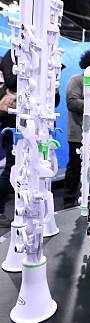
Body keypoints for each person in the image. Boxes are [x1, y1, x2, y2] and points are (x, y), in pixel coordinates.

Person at [63, 48, 90, 208]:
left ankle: (89, 198)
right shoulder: (76, 80)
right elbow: (72, 103)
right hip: (78, 133)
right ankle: (69, 200)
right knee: (75, 167)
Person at [0, 50, 16, 226]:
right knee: (11, 167)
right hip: (11, 122)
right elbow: (11, 80)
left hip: (19, 123)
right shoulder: (12, 55)